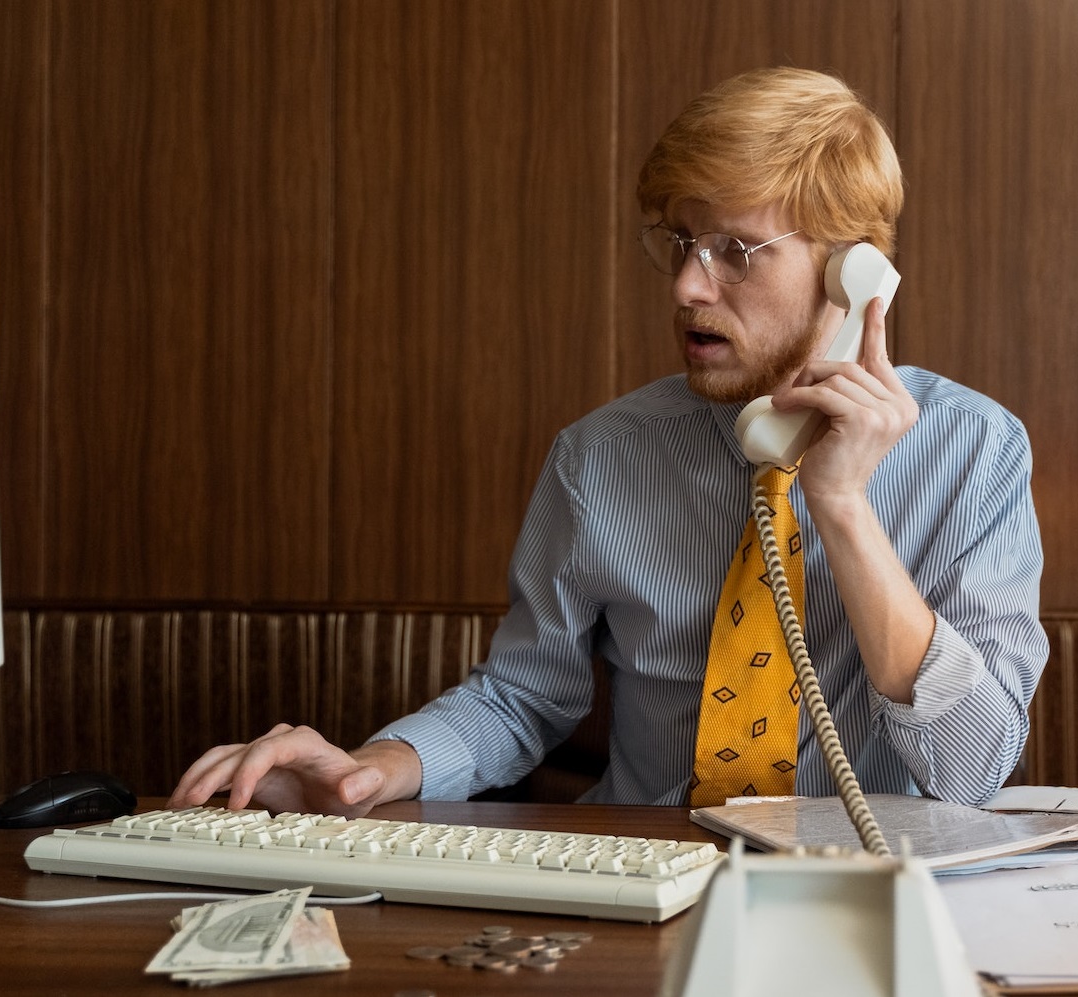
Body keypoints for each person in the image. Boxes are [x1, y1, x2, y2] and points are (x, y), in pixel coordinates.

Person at [169, 67, 1047, 817]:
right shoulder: (599, 456)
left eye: (735, 249)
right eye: (679, 240)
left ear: (851, 270)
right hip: (640, 871)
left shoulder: (975, 451)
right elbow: (521, 698)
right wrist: (369, 772)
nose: (687, 285)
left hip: (878, 885)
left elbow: (969, 770)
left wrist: (843, 506)